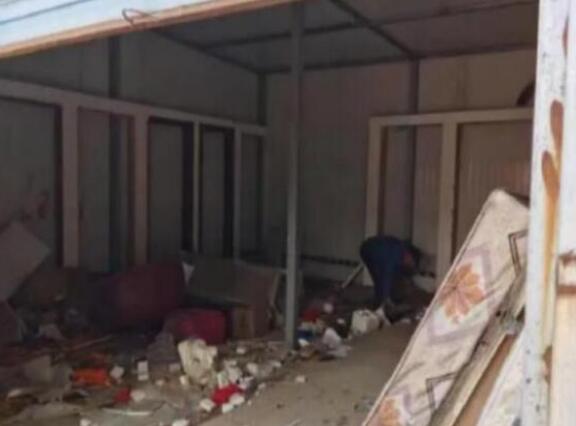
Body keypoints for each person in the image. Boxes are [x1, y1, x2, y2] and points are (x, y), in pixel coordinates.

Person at [360, 235, 421, 317]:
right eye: (410, 263)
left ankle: (380, 302)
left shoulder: (401, 253)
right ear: (409, 256)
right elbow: (387, 276)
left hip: (374, 250)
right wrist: (387, 297)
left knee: (382, 280)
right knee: (379, 279)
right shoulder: (395, 254)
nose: (408, 264)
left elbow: (397, 274)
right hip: (369, 250)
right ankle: (381, 304)